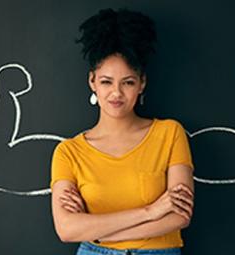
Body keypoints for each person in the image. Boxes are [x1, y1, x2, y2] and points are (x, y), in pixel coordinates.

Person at [50, 8, 195, 255]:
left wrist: (98, 232)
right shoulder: (69, 152)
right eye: (106, 81)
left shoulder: (170, 133)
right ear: (92, 82)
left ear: (142, 83)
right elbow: (66, 229)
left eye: (127, 82)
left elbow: (179, 216)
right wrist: (150, 211)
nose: (116, 93)